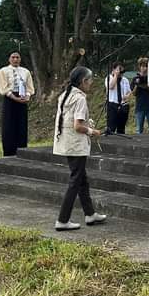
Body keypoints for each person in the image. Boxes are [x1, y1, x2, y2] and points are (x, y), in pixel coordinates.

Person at [53, 66, 109, 230]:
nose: (91, 83)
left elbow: (71, 121)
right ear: (83, 81)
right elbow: (77, 126)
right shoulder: (80, 99)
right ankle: (62, 220)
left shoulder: (65, 95)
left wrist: (86, 124)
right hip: (76, 144)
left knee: (81, 179)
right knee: (76, 180)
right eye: (90, 80)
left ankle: (90, 214)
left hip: (67, 142)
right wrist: (92, 131)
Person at [0, 51, 35, 156]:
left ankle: (22, 151)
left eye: (17, 57)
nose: (15, 59)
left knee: (21, 126)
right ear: (9, 59)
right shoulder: (3, 71)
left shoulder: (25, 72)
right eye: (13, 57)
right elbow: (3, 87)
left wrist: (27, 96)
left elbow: (30, 87)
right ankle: (9, 152)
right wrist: (14, 98)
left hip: (22, 98)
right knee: (9, 125)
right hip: (10, 99)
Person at [104, 62, 133, 135]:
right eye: (119, 69)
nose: (121, 72)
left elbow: (129, 92)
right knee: (111, 127)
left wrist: (127, 96)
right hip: (112, 104)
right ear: (113, 69)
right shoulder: (109, 78)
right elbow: (111, 86)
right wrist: (116, 75)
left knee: (121, 128)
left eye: (122, 70)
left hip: (123, 104)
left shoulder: (125, 80)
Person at [131, 57, 149, 134]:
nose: (145, 68)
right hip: (140, 106)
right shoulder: (135, 78)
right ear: (139, 67)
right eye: (143, 66)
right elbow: (133, 93)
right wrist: (137, 84)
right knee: (139, 130)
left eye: (146, 66)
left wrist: (147, 84)